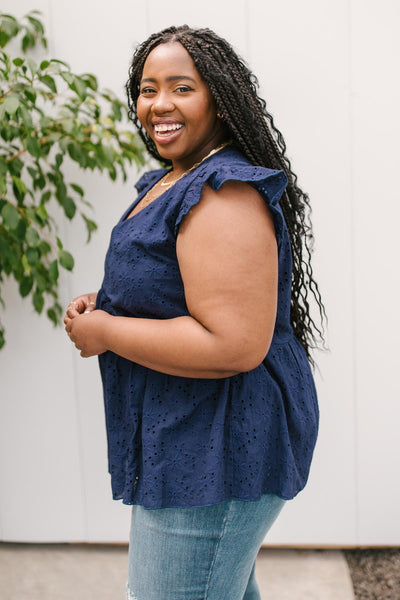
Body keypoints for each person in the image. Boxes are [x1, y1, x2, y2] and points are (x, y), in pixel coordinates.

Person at [64, 25, 325, 600]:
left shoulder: (221, 194)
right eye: (147, 87)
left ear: (219, 99)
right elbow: (177, 285)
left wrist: (106, 330)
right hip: (191, 440)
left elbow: (233, 344)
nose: (159, 104)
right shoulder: (174, 179)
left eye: (181, 87)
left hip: (216, 452)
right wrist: (109, 300)